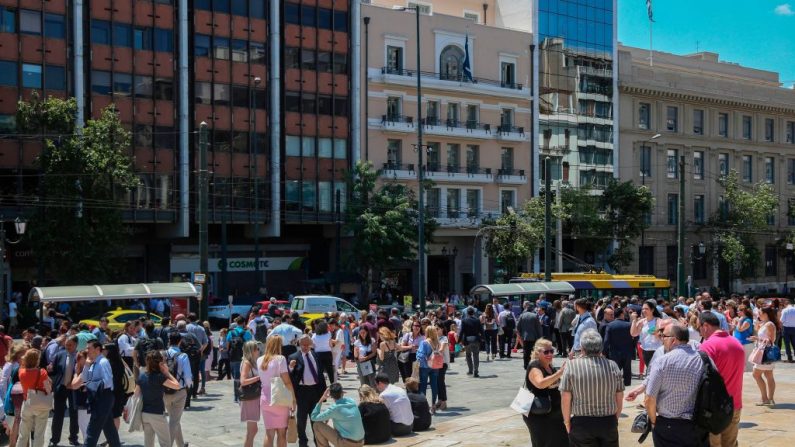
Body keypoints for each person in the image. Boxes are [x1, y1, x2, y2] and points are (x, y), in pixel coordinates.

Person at [645, 324, 707, 447]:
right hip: (696, 423)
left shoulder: (662, 361)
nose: (662, 339)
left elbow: (649, 398)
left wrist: (653, 421)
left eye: (664, 336)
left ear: (673, 339)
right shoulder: (703, 359)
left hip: (668, 425)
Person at [560, 329, 623, 447]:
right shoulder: (612, 365)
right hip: (608, 421)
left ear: (582, 347)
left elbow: (565, 397)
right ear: (600, 348)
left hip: (582, 423)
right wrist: (615, 418)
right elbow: (619, 396)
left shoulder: (572, 366)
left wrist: (567, 422)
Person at [698, 311, 744, 447]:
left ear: (705, 325)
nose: (699, 332)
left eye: (699, 327)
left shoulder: (707, 346)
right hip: (734, 403)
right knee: (730, 443)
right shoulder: (737, 343)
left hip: (713, 409)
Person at [71, 340, 121, 447]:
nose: (87, 350)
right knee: (110, 430)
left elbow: (107, 382)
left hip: (103, 398)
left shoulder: (103, 362)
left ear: (97, 349)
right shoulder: (93, 362)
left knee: (92, 430)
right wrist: (86, 367)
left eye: (89, 348)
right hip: (99, 398)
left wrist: (89, 385)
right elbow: (81, 380)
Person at [523, 339, 568, 447]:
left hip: (554, 413)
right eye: (546, 352)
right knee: (544, 443)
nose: (550, 354)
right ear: (538, 352)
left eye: (551, 351)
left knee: (562, 441)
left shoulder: (548, 365)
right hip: (539, 413)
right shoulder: (535, 366)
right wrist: (559, 373)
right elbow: (540, 383)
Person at [135, 350, 181, 447]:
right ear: (160, 363)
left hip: (145, 414)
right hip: (157, 414)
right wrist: (167, 373)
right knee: (165, 443)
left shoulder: (142, 376)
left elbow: (136, 393)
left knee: (148, 443)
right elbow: (177, 386)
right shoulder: (160, 377)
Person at [257, 335, 297, 447]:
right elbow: (287, 382)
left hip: (265, 398)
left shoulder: (260, 360)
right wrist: (293, 399)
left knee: (269, 433)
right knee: (281, 433)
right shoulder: (280, 359)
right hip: (279, 399)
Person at [288, 335, 327, 447]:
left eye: (307, 345)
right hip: (301, 391)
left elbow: (320, 374)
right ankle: (303, 441)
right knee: (301, 418)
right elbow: (288, 376)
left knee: (315, 417)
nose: (305, 347)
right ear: (299, 345)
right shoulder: (293, 357)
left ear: (311, 344)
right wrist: (290, 367)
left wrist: (324, 392)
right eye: (302, 345)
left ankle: (317, 440)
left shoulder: (315, 355)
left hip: (315, 390)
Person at [310, 382, 365, 447]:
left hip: (347, 444)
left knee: (317, 425)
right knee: (333, 421)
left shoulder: (334, 409)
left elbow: (313, 417)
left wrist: (321, 399)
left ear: (331, 396)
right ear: (342, 393)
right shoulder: (352, 401)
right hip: (361, 442)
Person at [16, 348, 52, 447]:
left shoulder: (21, 372)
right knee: (39, 434)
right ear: (37, 360)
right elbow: (48, 390)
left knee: (23, 434)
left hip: (27, 403)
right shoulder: (42, 372)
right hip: (41, 405)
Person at [49, 335, 79, 447]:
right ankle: (54, 440)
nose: (67, 347)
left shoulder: (80, 356)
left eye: (70, 345)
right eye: (66, 345)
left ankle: (73, 438)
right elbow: (55, 371)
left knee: (74, 413)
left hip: (74, 389)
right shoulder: (60, 354)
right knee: (58, 415)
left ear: (76, 345)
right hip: (60, 388)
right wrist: (50, 369)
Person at [163, 332, 192, 447]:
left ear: (169, 340)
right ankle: (167, 445)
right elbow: (188, 376)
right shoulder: (183, 355)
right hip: (179, 391)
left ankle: (180, 444)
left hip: (165, 390)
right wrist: (189, 386)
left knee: (175, 418)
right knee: (174, 420)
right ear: (179, 341)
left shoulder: (163, 354)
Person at [750, 306, 778, 406]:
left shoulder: (769, 324)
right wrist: (758, 326)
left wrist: (757, 339)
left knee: (756, 374)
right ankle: (769, 399)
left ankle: (765, 398)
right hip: (764, 352)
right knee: (768, 375)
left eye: (760, 313)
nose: (758, 314)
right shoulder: (765, 323)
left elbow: (771, 340)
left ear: (765, 314)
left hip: (765, 353)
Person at [602, 307, 634, 386]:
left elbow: (606, 340)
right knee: (627, 371)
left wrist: (603, 352)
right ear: (622, 314)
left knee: (614, 372)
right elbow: (635, 337)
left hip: (614, 352)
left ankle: (615, 387)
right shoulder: (629, 325)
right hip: (627, 352)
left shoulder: (609, 325)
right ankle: (627, 387)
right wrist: (632, 347)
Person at [630, 299, 663, 376]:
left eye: (646, 309)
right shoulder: (642, 322)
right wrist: (634, 321)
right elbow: (633, 334)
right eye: (643, 309)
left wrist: (655, 331)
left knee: (655, 372)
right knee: (651, 372)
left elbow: (659, 335)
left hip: (657, 350)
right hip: (645, 351)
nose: (644, 311)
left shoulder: (658, 321)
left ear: (652, 310)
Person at [238, 341, 261, 447]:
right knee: (252, 431)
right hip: (250, 398)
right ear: (252, 351)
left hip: (252, 398)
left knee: (253, 430)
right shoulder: (247, 363)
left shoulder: (251, 362)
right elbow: (243, 381)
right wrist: (258, 377)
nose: (259, 351)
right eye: (257, 349)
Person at [103, 343, 130, 431]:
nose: (103, 351)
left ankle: (114, 438)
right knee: (115, 415)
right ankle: (113, 438)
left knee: (114, 415)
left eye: (105, 349)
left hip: (114, 393)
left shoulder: (112, 363)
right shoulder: (118, 361)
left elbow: (113, 380)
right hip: (118, 392)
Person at [416, 326, 442, 412]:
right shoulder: (437, 342)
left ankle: (424, 405)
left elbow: (420, 355)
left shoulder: (424, 342)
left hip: (424, 366)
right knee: (434, 385)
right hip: (435, 366)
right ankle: (433, 405)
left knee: (423, 385)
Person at [227, 316, 252, 403]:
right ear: (244, 323)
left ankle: (236, 396)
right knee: (244, 376)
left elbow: (227, 345)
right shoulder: (247, 333)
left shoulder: (231, 332)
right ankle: (243, 394)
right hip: (244, 357)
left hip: (233, 357)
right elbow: (250, 346)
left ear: (236, 323)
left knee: (236, 377)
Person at [458, 307, 482, 377]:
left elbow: (462, 331)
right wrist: (483, 338)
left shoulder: (464, 320)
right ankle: (476, 371)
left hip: (467, 341)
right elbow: (481, 330)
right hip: (475, 340)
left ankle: (470, 370)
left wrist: (459, 340)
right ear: (473, 313)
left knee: (468, 355)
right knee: (476, 355)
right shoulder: (477, 320)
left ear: (467, 313)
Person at [517, 304, 543, 369]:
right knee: (535, 351)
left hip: (525, 337)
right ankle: (534, 365)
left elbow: (518, 326)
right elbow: (538, 328)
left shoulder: (522, 315)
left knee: (526, 351)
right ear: (532, 309)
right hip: (534, 337)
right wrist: (540, 337)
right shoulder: (535, 316)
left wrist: (521, 334)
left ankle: (526, 365)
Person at [312, 320, 337, 385]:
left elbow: (313, 346)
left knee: (320, 371)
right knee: (330, 370)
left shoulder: (314, 335)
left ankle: (321, 385)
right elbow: (330, 345)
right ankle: (332, 384)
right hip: (327, 353)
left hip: (318, 354)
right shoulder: (328, 334)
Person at [732, 305, 755, 372]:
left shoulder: (747, 320)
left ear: (743, 312)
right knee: (741, 363)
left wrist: (739, 321)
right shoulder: (740, 319)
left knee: (748, 364)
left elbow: (740, 329)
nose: (737, 312)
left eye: (739, 310)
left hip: (746, 344)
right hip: (740, 343)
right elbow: (734, 329)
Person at [781, 298, 795, 363]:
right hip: (794, 328)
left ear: (786, 304)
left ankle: (789, 358)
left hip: (786, 328)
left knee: (787, 344)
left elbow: (782, 320)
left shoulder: (785, 310)